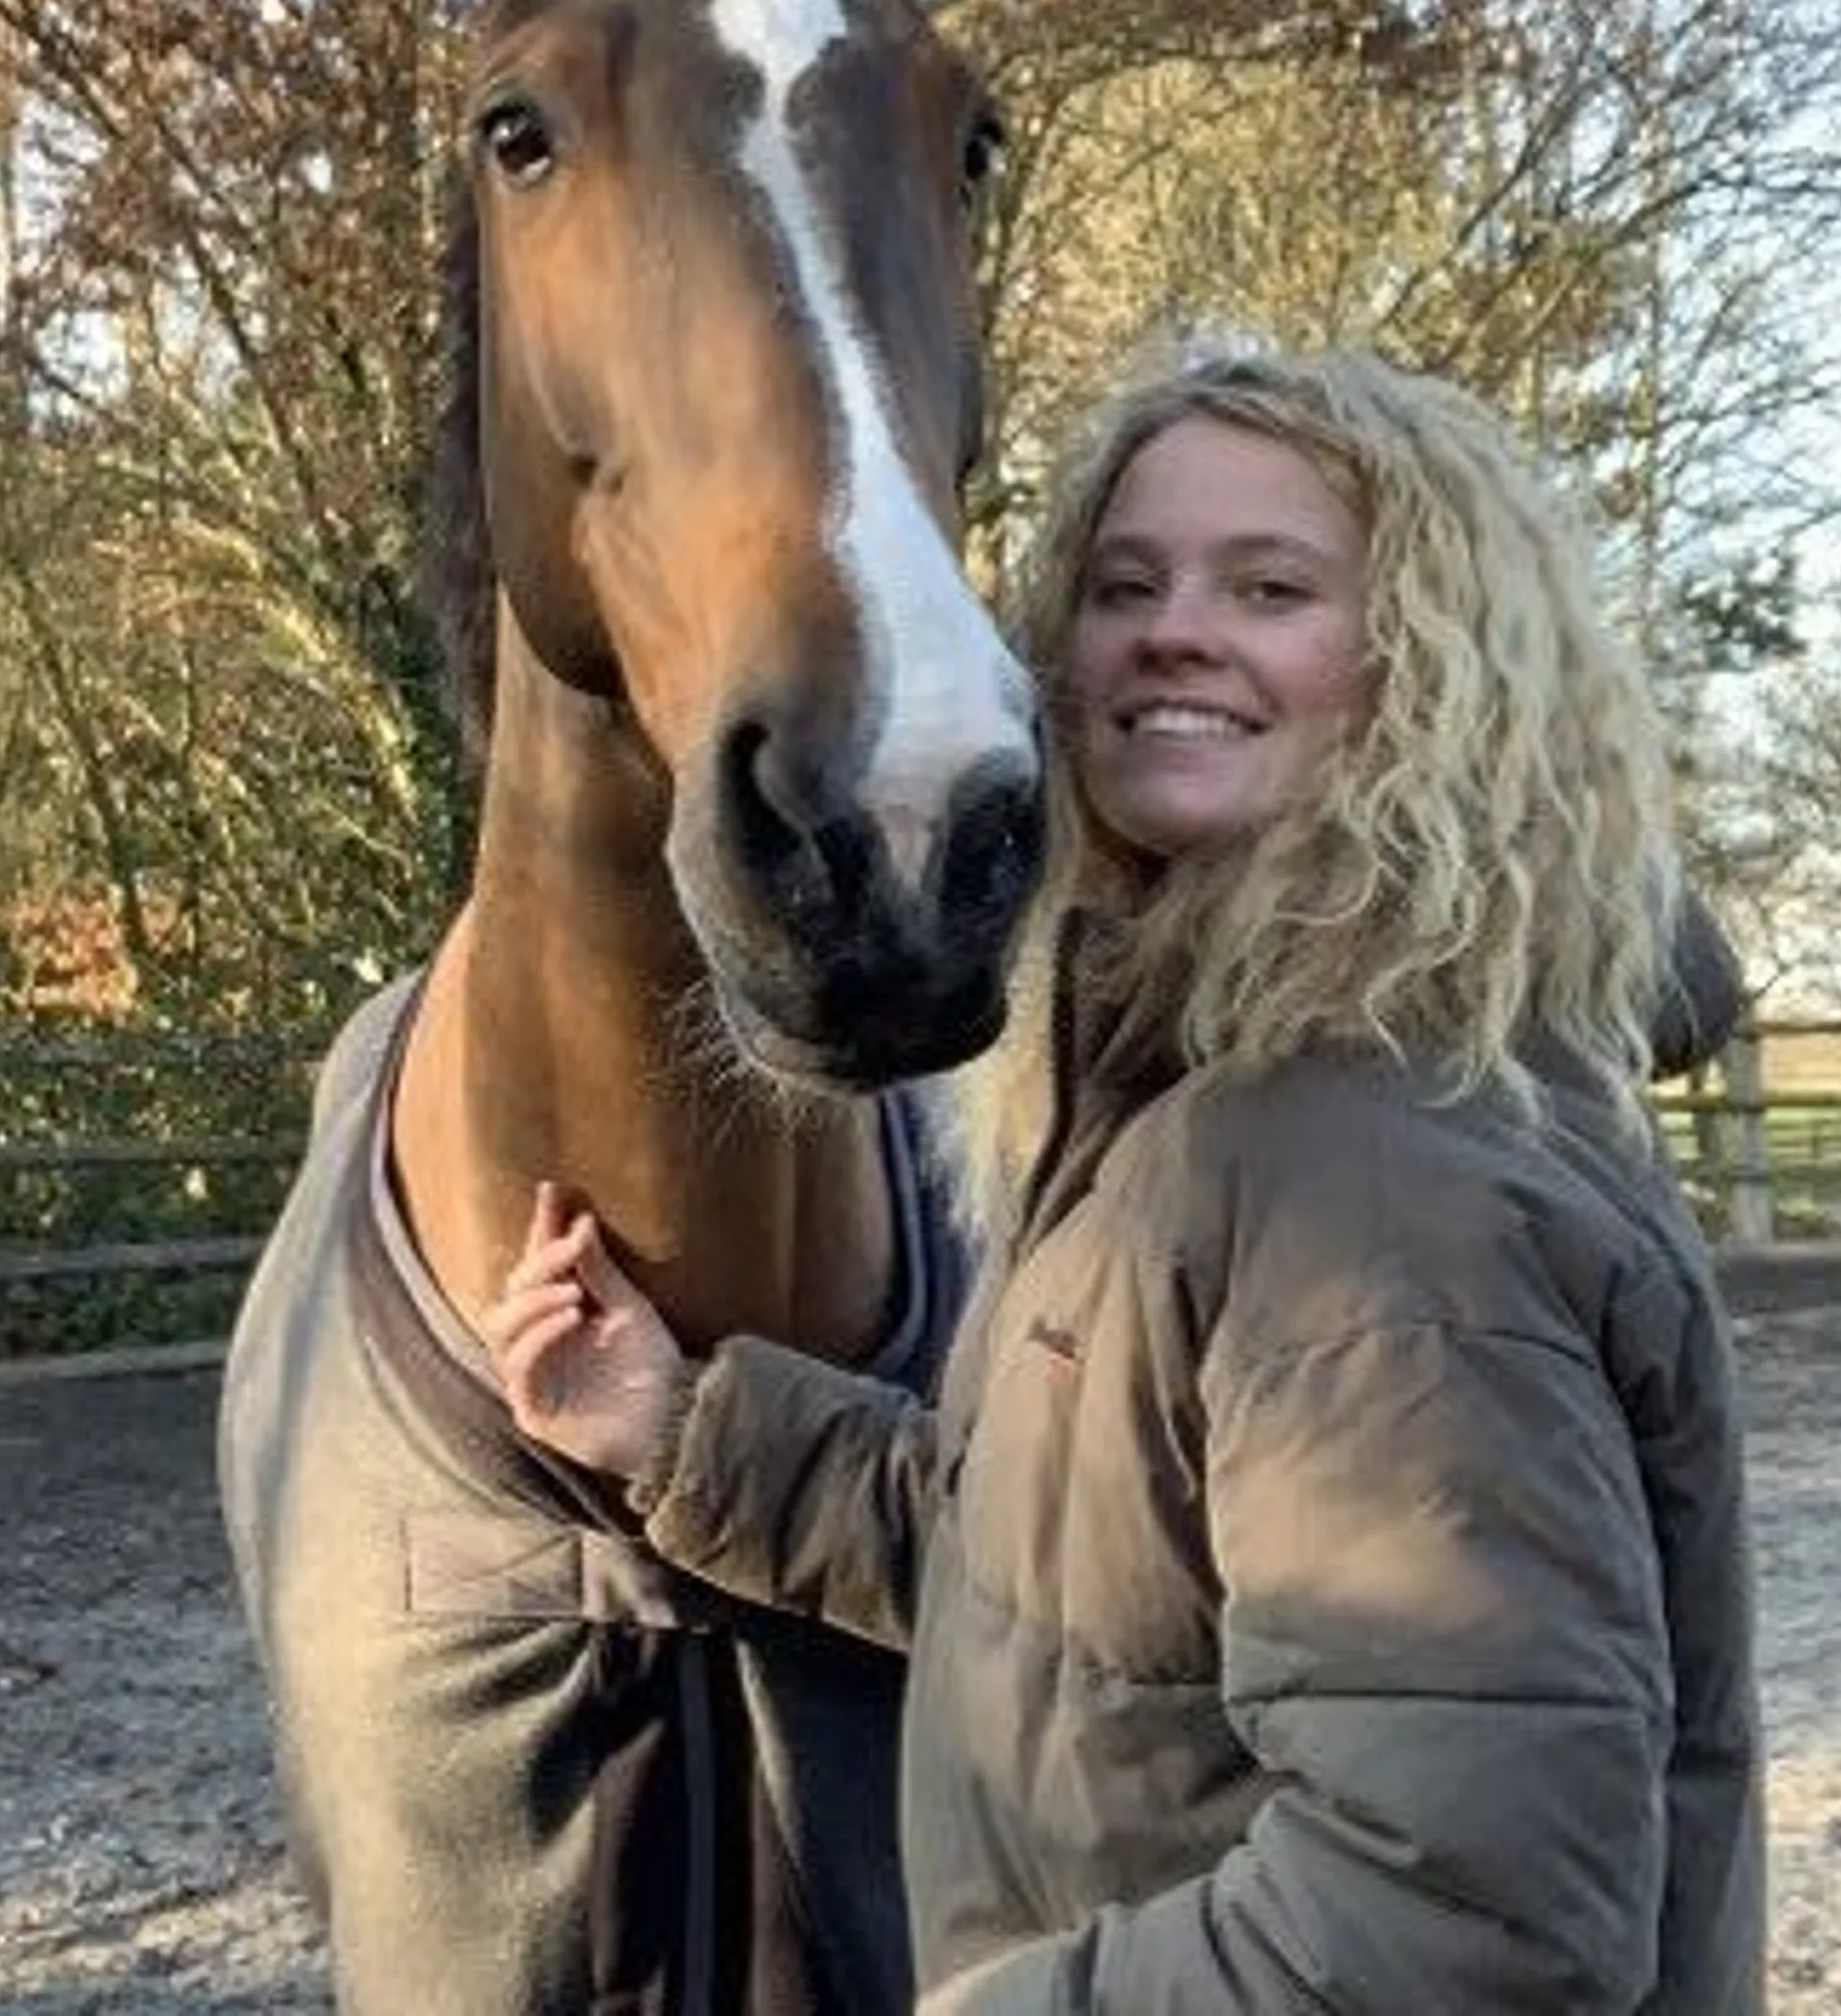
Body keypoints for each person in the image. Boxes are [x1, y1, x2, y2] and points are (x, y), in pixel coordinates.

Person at [485, 343, 1766, 2015]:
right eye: (1124, 583)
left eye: (1272, 585)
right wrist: (685, 1433)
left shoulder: (1380, 1194)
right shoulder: (1197, 1110)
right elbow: (1084, 1607)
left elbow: (1467, 1925)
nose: (1174, 628)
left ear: (1429, 665)